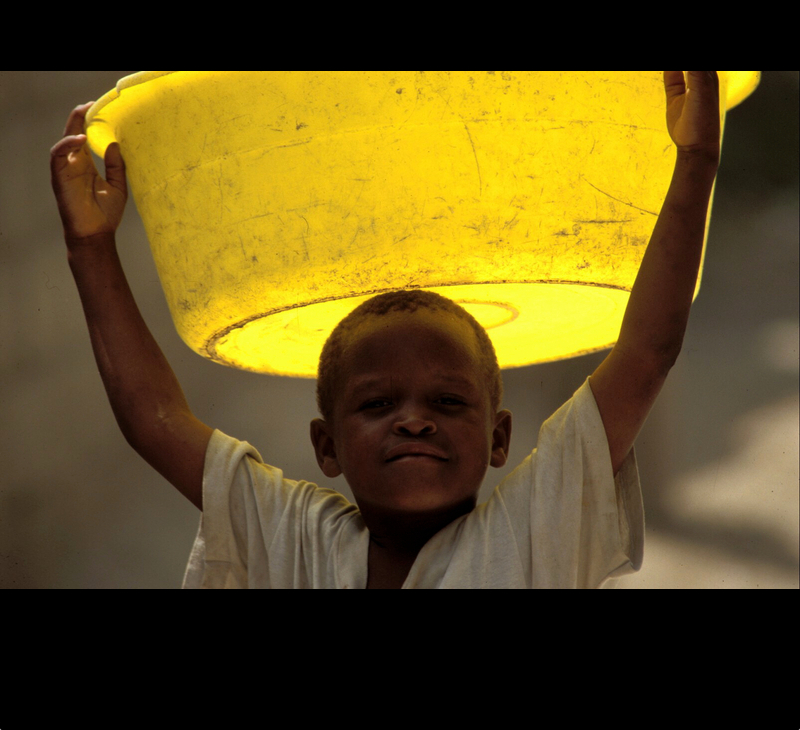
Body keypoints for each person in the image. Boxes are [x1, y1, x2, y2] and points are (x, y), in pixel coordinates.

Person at [50, 72, 722, 588]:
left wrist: (694, 160)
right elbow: (153, 418)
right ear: (326, 445)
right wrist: (90, 246)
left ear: (498, 437)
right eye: (376, 404)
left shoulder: (535, 530)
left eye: (449, 401)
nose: (414, 421)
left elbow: (645, 354)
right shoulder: (292, 541)